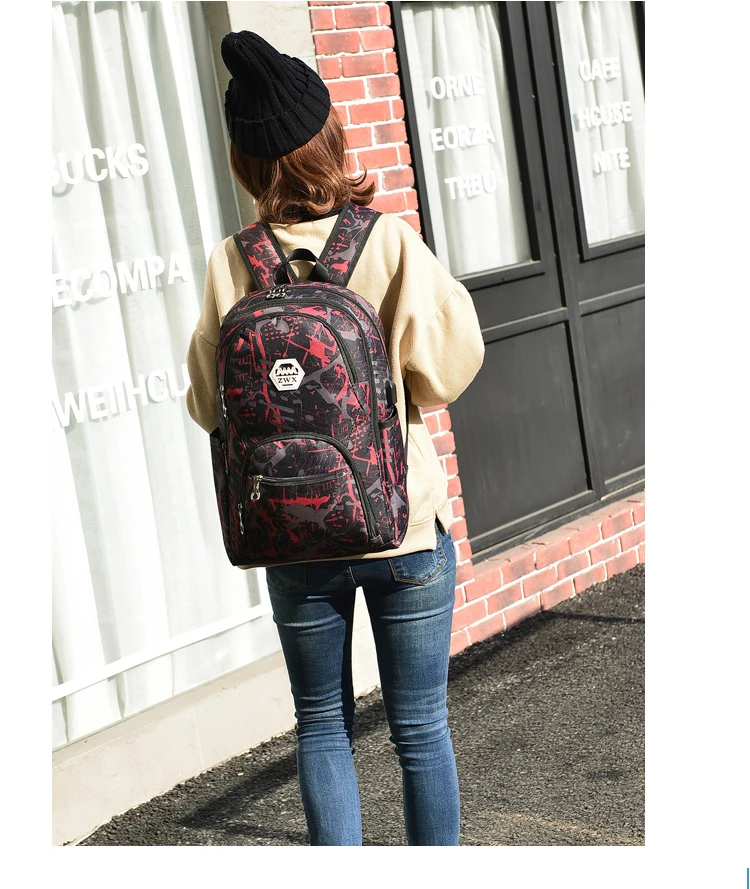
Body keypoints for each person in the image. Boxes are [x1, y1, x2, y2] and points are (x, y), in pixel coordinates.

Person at [185, 30, 485, 846]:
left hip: (290, 535)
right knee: (420, 727)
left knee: (321, 725)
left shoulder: (231, 262)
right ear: (330, 137)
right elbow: (450, 367)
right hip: (400, 525)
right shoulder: (385, 242)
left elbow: (210, 406)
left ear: (246, 162)